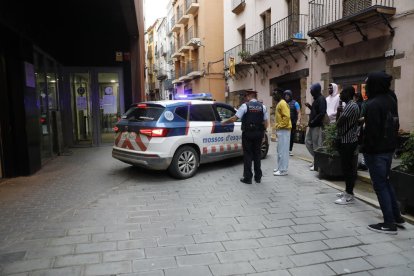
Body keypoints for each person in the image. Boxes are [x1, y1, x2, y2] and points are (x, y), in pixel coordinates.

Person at [361, 71, 405, 234]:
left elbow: (372, 132)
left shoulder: (373, 104)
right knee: (386, 182)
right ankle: (397, 217)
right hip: (389, 148)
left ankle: (389, 223)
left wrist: (365, 149)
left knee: (380, 185)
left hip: (376, 151)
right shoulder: (391, 99)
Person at [222, 90, 269, 184]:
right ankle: (258, 177)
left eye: (246, 96)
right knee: (257, 154)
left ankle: (248, 178)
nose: (245, 98)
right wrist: (263, 134)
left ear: (249, 96)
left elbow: (235, 118)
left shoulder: (245, 106)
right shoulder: (262, 107)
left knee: (248, 155)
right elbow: (266, 122)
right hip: (258, 133)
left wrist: (224, 122)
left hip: (248, 133)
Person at [334, 86, 360, 205]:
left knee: (348, 169)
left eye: (343, 92)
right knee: (346, 168)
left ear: (348, 93)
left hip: (348, 141)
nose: (340, 94)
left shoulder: (351, 106)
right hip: (346, 140)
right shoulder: (349, 105)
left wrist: (339, 113)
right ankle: (347, 191)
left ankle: (349, 195)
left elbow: (339, 123)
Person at [305, 83, 327, 171]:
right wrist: (310, 106)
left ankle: (317, 163)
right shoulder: (316, 99)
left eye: (312, 90)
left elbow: (322, 113)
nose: (310, 91)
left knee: (316, 145)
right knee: (307, 142)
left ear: (316, 90)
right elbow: (315, 111)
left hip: (317, 126)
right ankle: (316, 159)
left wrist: (313, 121)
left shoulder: (321, 99)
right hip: (312, 126)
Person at [273, 90, 292, 176]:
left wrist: (280, 125)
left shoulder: (282, 103)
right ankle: (280, 167)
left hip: (284, 129)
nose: (273, 96)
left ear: (280, 94)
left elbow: (287, 116)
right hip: (282, 130)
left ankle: (283, 170)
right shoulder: (280, 103)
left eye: (275, 94)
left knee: (283, 151)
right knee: (279, 150)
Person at [284, 90, 301, 156]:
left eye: (287, 95)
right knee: (285, 136)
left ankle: (290, 150)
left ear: (290, 96)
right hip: (285, 123)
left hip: (292, 123)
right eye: (285, 95)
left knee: (291, 137)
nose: (286, 96)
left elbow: (299, 112)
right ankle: (285, 149)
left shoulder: (295, 103)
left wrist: (298, 120)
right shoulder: (283, 103)